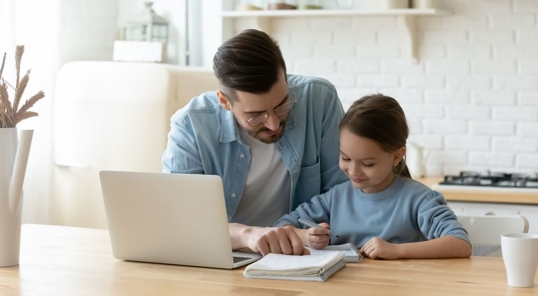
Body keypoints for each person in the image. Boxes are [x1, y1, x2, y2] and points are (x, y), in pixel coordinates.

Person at [162, 29, 348, 256]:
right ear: (224, 101)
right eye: (256, 115)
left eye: (282, 105)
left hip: (302, 255)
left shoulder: (319, 100)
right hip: (226, 257)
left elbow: (344, 194)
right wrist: (248, 235)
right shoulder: (190, 125)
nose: (273, 124)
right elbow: (183, 220)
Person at [274, 94, 472, 259]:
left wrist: (397, 250)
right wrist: (307, 236)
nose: (353, 171)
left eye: (368, 164)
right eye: (346, 158)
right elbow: (281, 226)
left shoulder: (419, 199)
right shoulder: (335, 197)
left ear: (396, 156)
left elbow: (460, 244)